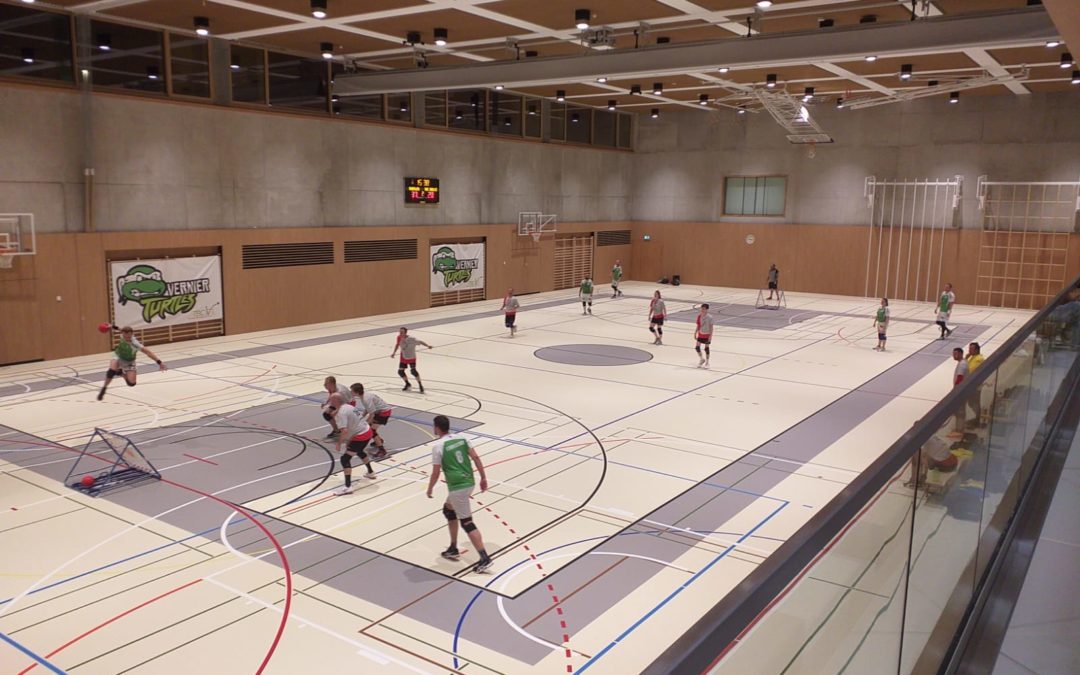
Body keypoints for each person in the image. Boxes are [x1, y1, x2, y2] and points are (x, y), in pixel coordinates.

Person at [426, 414, 493, 573]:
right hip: (469, 481)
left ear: (436, 427)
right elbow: (475, 457)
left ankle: (485, 558)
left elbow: (435, 473)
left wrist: (429, 489)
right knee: (449, 510)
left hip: (458, 487)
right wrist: (483, 477)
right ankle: (453, 547)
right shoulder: (462, 439)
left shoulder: (438, 446)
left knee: (467, 522)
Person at [97, 325, 166, 401]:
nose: (127, 338)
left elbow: (148, 352)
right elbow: (119, 329)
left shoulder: (135, 344)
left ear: (132, 334)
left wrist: (159, 362)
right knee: (111, 372)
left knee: (131, 383)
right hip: (118, 355)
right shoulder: (122, 334)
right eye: (125, 336)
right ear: (123, 334)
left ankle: (121, 373)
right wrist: (110, 326)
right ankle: (104, 388)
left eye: (129, 337)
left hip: (129, 361)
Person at [332, 394, 377, 495]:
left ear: (335, 402)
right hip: (367, 431)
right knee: (359, 451)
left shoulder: (341, 413)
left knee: (345, 459)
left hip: (360, 435)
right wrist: (350, 440)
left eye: (331, 400)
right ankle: (371, 472)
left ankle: (348, 487)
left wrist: (339, 443)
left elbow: (344, 431)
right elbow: (355, 424)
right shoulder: (349, 407)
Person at [352, 382, 392, 459]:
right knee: (372, 429)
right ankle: (379, 440)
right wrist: (362, 417)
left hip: (383, 413)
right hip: (380, 411)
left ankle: (382, 451)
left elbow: (372, 414)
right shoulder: (365, 396)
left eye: (352, 391)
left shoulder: (366, 399)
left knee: (371, 431)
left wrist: (365, 423)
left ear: (357, 392)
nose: (351, 392)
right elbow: (368, 408)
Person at [391, 327, 431, 393]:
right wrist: (394, 353)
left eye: (402, 332)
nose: (400, 334)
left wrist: (428, 346)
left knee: (413, 371)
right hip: (403, 357)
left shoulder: (411, 339)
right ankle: (407, 384)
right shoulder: (399, 338)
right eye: (400, 332)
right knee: (400, 371)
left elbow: (420, 341)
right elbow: (397, 345)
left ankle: (420, 385)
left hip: (411, 357)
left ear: (405, 333)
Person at [947, 347, 969, 438]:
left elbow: (959, 378)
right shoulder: (962, 363)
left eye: (956, 354)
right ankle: (959, 428)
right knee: (960, 410)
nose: (954, 356)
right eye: (953, 354)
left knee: (959, 411)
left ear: (960, 354)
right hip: (961, 390)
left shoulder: (962, 365)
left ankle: (959, 430)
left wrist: (955, 389)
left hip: (960, 390)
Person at [965, 342, 986, 427]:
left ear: (976, 350)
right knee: (972, 402)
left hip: (975, 385)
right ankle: (976, 418)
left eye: (971, 349)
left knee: (974, 402)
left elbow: (968, 370)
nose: (969, 350)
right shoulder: (972, 357)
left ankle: (977, 420)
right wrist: (966, 358)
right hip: (972, 385)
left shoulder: (978, 359)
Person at [695, 303, 714, 368]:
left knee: (706, 348)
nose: (702, 310)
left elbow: (711, 328)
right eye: (702, 308)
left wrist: (710, 337)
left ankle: (707, 362)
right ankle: (702, 359)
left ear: (707, 309)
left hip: (707, 335)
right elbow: (698, 325)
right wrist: (695, 333)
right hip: (700, 334)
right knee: (697, 347)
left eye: (704, 309)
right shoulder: (699, 316)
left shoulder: (710, 317)